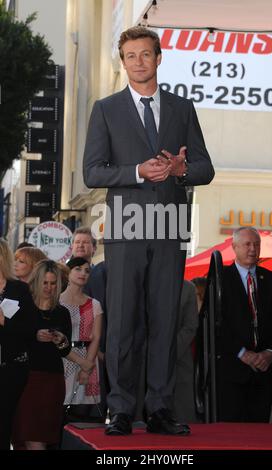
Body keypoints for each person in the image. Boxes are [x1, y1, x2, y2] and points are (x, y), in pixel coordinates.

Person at [83, 26, 214, 435]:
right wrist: (137, 171)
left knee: (163, 320)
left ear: (159, 58)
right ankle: (119, 409)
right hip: (126, 226)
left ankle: (159, 409)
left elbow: (205, 168)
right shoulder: (106, 109)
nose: (139, 62)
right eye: (131, 56)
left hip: (171, 225)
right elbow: (92, 172)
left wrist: (182, 169)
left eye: (145, 54)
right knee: (122, 321)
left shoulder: (182, 108)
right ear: (123, 63)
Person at [218, 227, 272, 422]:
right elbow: (217, 324)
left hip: (265, 373)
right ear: (234, 247)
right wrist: (242, 353)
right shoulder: (220, 279)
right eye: (247, 244)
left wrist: (270, 353)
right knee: (232, 433)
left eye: (256, 244)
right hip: (233, 371)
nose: (252, 249)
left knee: (259, 434)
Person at [12, 260, 73, 450]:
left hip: (52, 380)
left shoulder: (62, 313)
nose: (48, 287)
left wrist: (61, 339)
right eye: (45, 282)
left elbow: (65, 349)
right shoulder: (22, 309)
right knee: (28, 436)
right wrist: (34, 335)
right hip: (25, 379)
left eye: (53, 283)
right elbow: (10, 340)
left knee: (41, 436)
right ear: (36, 282)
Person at [0, 239, 37, 450]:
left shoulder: (19, 290)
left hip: (11, 369)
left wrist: (5, 321)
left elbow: (30, 329)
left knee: (4, 423)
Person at [60, 257, 103, 418]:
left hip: (88, 360)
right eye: (78, 269)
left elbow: (96, 337)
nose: (83, 273)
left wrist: (87, 366)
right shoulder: (57, 301)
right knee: (57, 409)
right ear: (68, 272)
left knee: (81, 414)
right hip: (62, 359)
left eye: (87, 270)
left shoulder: (95, 304)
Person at [173, 280, 199, 423]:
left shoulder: (187, 288)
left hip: (180, 359)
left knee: (182, 419)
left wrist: (169, 352)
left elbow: (190, 326)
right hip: (148, 361)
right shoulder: (143, 283)